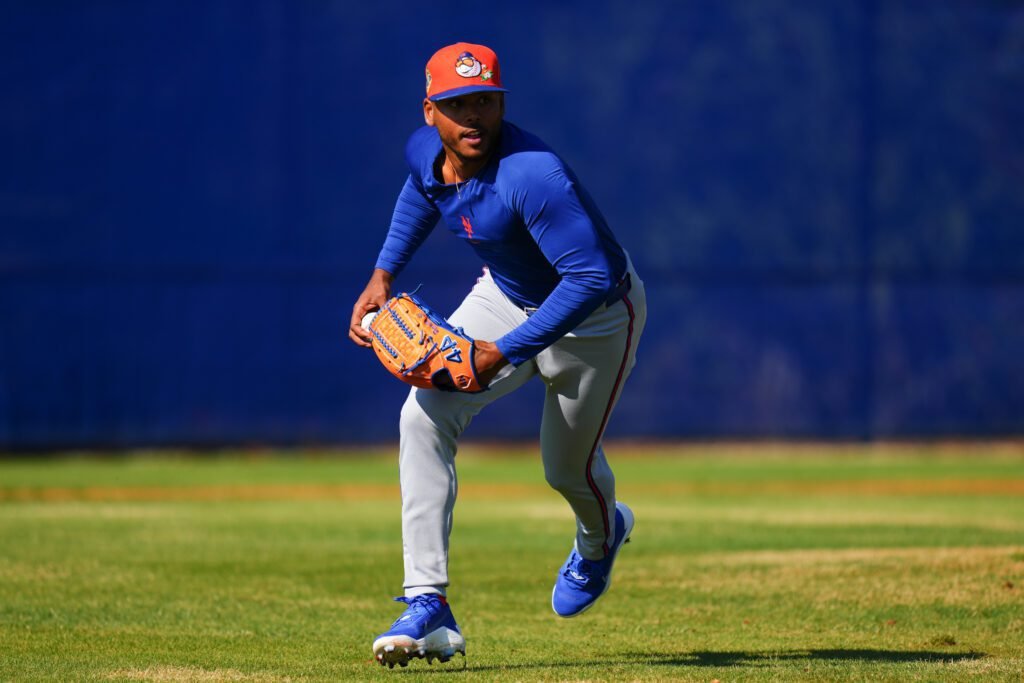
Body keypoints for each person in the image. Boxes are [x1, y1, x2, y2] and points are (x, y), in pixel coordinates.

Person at [348, 42, 647, 668]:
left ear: (501, 104)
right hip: (507, 296)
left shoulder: (532, 175)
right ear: (430, 111)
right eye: (457, 104)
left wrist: (502, 353)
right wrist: (382, 273)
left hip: (594, 318)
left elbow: (590, 277)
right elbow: (422, 191)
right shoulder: (427, 152)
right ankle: (427, 601)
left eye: (484, 101)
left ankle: (601, 539)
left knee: (566, 470)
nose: (473, 116)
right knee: (422, 416)